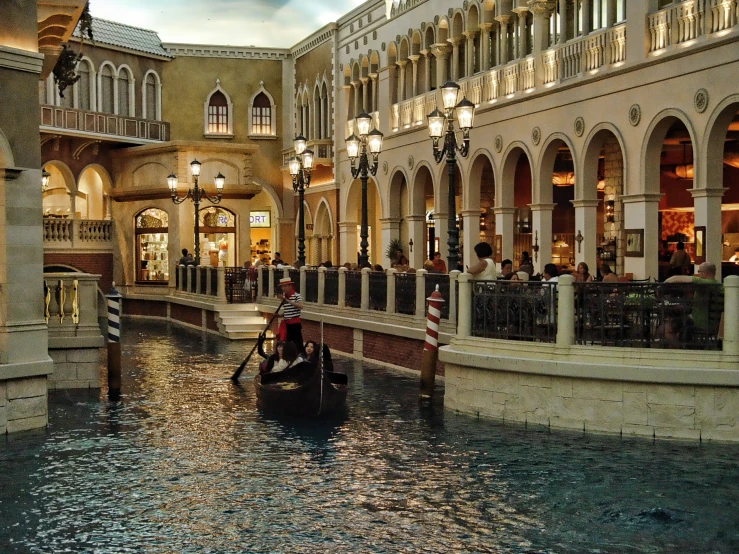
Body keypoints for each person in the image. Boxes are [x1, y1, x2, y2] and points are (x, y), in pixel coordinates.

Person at [665, 262, 724, 343]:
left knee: (666, 329)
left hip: (699, 322)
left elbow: (675, 278)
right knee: (680, 327)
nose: (698, 274)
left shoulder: (706, 283)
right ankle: (683, 346)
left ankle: (679, 350)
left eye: (699, 272)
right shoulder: (719, 286)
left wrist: (663, 285)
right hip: (713, 324)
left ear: (704, 273)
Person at [276, 277, 304, 352]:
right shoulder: (286, 298)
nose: (283, 288)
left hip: (295, 324)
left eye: (285, 286)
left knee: (297, 343)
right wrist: (280, 315)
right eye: (282, 286)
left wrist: (287, 301)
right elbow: (288, 311)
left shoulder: (296, 296)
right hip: (287, 324)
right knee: (287, 343)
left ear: (290, 286)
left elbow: (301, 306)